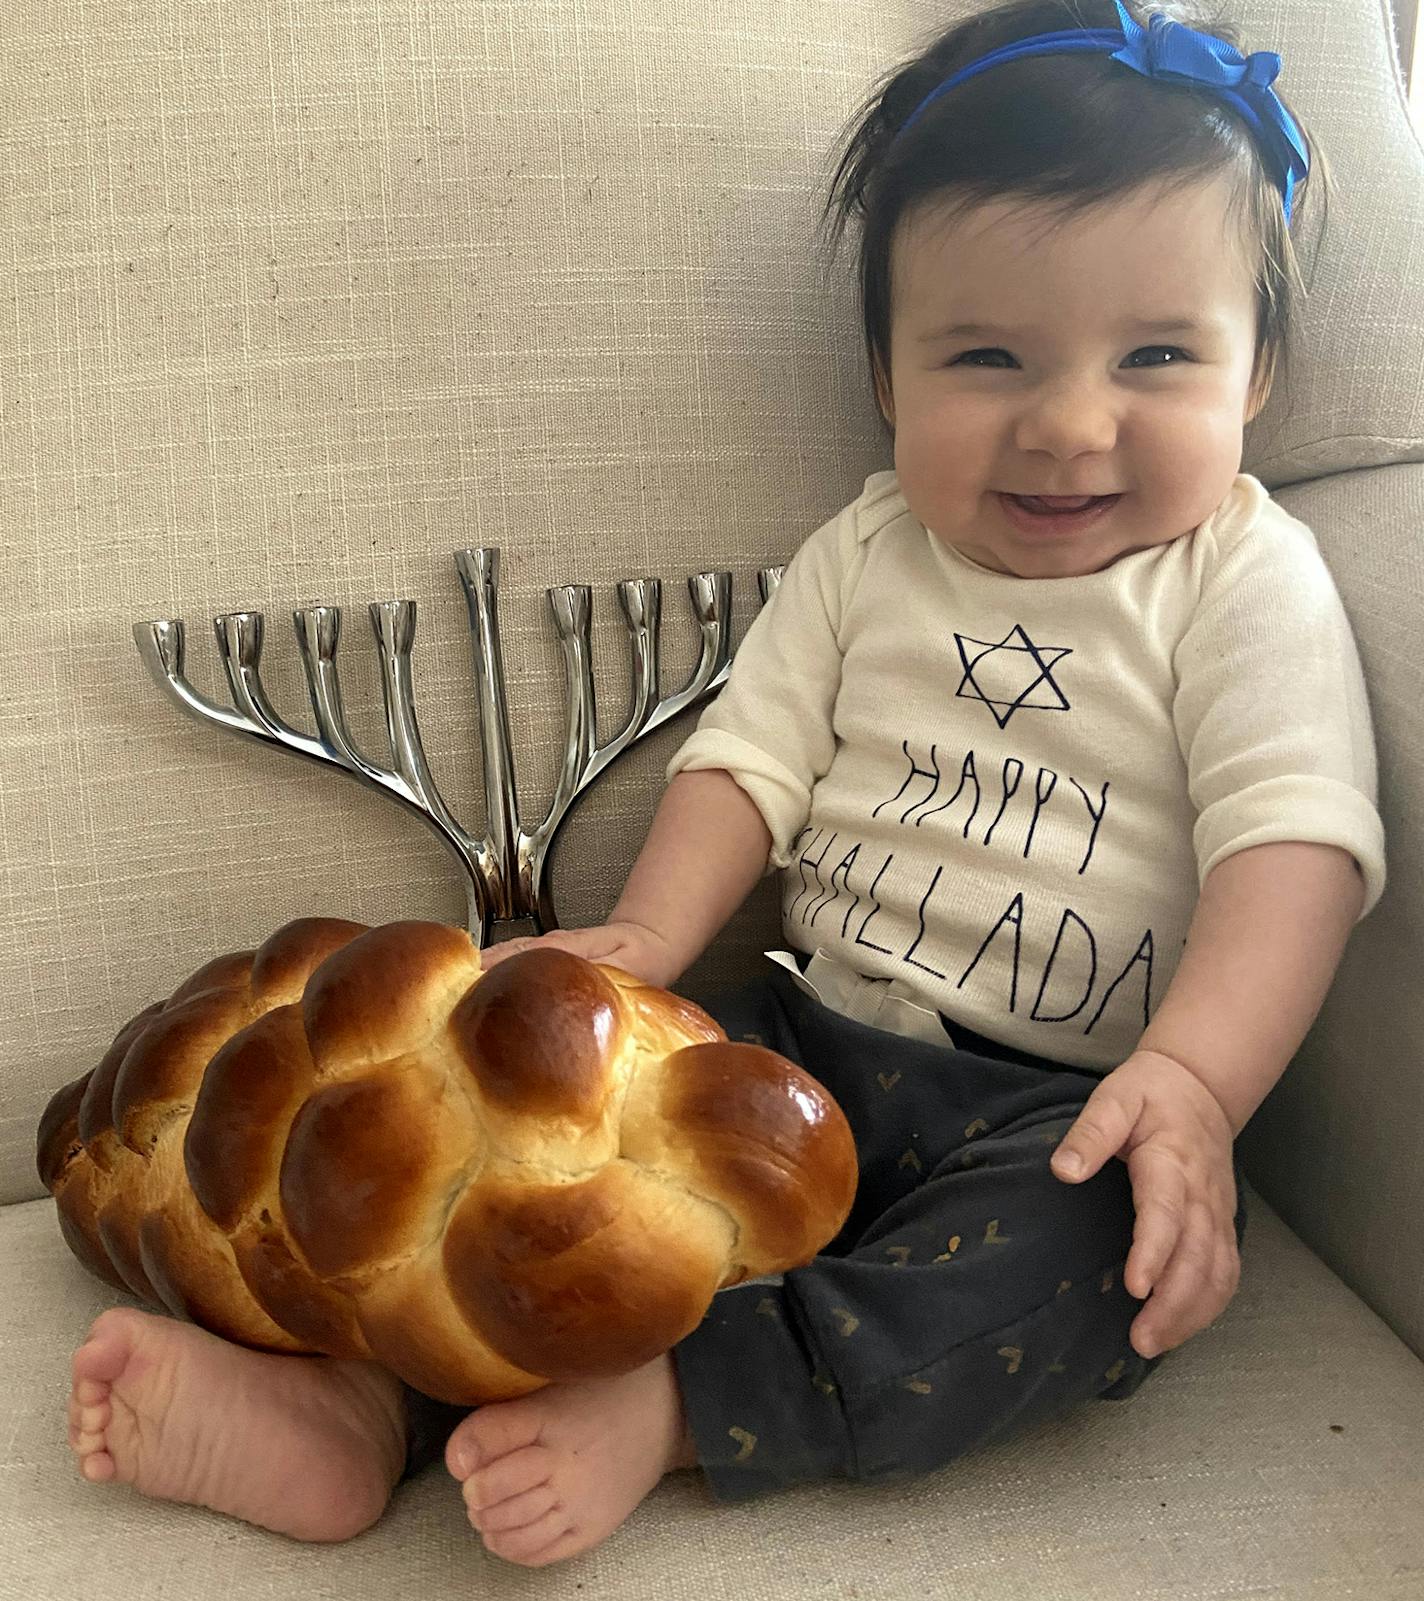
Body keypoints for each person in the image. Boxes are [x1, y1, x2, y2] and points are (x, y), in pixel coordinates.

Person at [65, 0, 1385, 1572]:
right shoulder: (867, 551)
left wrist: (1197, 1085)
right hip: (776, 1037)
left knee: (1091, 1266)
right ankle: (365, 1401)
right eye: (987, 355)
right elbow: (746, 764)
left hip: (1062, 1102)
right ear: (887, 379)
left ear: (1260, 378)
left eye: (1157, 354)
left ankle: (689, 1403)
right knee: (527, 1178)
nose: (1069, 421)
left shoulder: (1246, 581)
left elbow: (1290, 851)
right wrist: (642, 935)